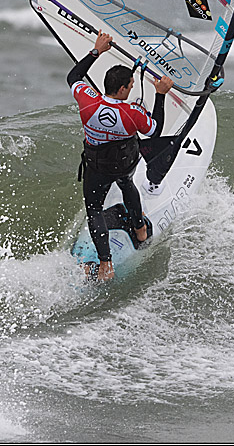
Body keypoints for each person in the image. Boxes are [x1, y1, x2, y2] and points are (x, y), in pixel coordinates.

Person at [66, 32, 173, 281]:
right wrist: (160, 94)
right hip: (124, 164)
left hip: (97, 165)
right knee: (127, 185)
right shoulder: (131, 113)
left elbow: (73, 76)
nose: (132, 88)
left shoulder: (87, 100)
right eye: (131, 86)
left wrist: (96, 51)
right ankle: (140, 231)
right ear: (123, 88)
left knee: (94, 209)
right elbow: (155, 129)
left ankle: (105, 265)